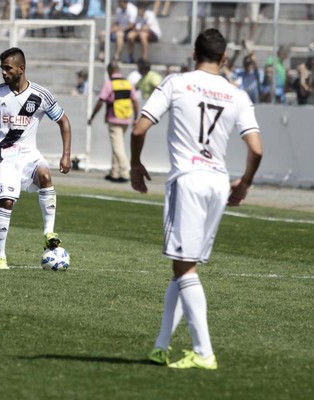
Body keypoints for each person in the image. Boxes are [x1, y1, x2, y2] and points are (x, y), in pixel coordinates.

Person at [130, 28, 263, 370]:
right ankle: (160, 346)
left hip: (187, 179)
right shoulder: (237, 94)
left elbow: (139, 129)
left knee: (184, 267)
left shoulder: (177, 83)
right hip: (217, 183)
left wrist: (134, 164)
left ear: (193, 53)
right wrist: (245, 183)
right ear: (224, 58)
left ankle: (203, 352)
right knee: (183, 267)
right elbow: (256, 149)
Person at [0, 47, 72, 270]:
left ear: (21, 69)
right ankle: (0, 256)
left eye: (8, 68)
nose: (3, 72)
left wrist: (66, 155)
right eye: (2, 68)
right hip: (4, 157)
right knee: (6, 202)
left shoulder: (40, 95)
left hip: (29, 154)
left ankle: (48, 233)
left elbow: (64, 122)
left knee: (45, 175)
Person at [87, 61, 139, 183]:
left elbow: (101, 101)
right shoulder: (127, 83)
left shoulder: (109, 83)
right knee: (117, 145)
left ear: (110, 70)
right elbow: (135, 101)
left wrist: (92, 116)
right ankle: (114, 172)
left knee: (118, 147)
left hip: (114, 118)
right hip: (126, 118)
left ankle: (125, 172)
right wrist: (136, 118)